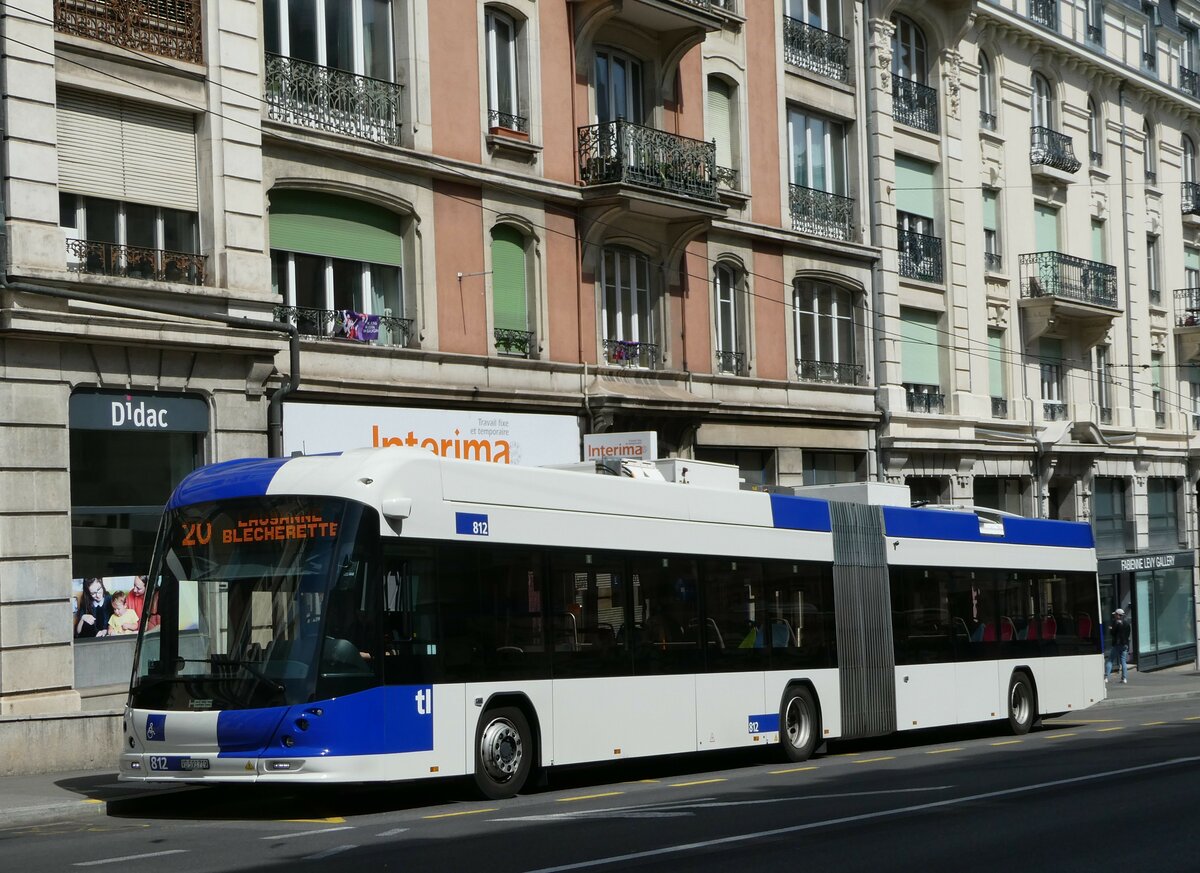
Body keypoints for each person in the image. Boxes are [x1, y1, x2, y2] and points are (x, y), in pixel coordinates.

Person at [1104, 607, 1131, 684]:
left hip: (1117, 644)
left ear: (1118, 615)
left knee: (1110, 660)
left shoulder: (1115, 623)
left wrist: (1110, 629)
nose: (1114, 616)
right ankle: (1124, 678)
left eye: (1115, 614)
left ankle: (1106, 677)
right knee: (1123, 662)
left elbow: (1113, 633)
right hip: (1125, 645)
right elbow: (1128, 634)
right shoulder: (1127, 623)